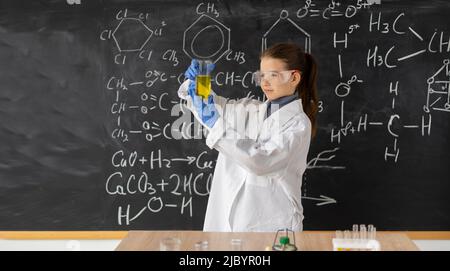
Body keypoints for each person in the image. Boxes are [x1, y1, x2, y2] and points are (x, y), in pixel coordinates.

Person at [178, 42, 318, 232]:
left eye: (273, 75)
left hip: (271, 225)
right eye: (262, 75)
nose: (265, 83)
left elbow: (260, 162)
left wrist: (215, 123)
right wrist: (199, 83)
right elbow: (211, 107)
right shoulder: (249, 109)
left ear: (294, 78)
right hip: (228, 222)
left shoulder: (298, 125)